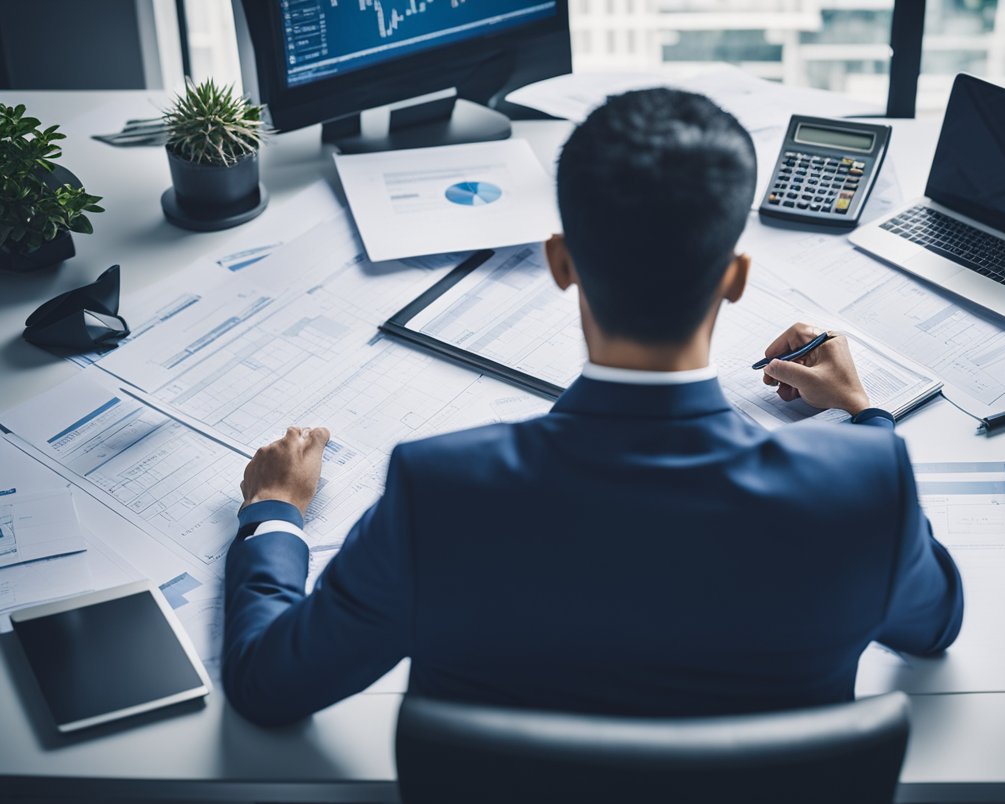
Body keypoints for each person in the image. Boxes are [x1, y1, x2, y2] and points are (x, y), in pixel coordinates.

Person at [222, 89, 963, 726]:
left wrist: (275, 513)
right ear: (735, 279)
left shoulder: (437, 490)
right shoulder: (865, 481)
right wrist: (865, 417)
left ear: (560, 262)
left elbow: (270, 687)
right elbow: (934, 627)